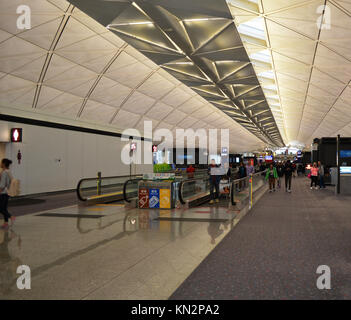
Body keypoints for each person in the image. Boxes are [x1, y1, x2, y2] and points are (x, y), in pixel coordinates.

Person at [0, 159, 15, 229]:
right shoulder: (9, 172)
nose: (0, 164)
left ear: (4, 164)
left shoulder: (4, 172)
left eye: (1, 163)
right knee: (4, 208)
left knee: (1, 209)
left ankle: (11, 217)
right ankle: (6, 223)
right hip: (7, 192)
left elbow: (2, 185)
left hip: (3, 193)